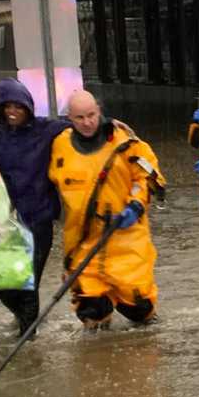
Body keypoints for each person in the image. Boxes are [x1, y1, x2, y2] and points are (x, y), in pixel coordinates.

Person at [48, 91, 165, 330]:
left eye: (91, 115)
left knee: (140, 309)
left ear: (99, 111)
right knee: (90, 311)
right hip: (83, 242)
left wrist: (136, 204)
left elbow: (148, 175)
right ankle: (96, 355)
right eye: (80, 117)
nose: (87, 122)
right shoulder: (60, 144)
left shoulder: (124, 141)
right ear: (69, 117)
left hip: (125, 239)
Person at [0, 78, 70, 336]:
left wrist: (111, 124)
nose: (12, 112)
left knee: (27, 281)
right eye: (7, 106)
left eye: (17, 107)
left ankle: (28, 335)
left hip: (39, 220)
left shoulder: (46, 130)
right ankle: (24, 321)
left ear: (27, 108)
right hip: (8, 221)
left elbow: (81, 123)